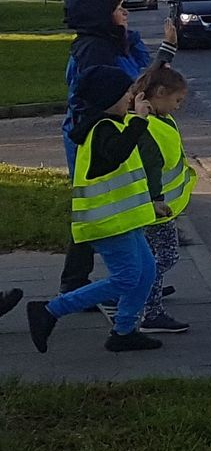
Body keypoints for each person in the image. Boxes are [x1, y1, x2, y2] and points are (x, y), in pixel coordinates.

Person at [27, 65, 168, 353]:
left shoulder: (112, 125)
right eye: (126, 93)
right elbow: (116, 155)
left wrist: (150, 203)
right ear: (108, 98)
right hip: (107, 223)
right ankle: (50, 310)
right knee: (127, 277)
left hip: (124, 220)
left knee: (146, 272)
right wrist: (139, 121)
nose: (130, 97)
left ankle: (124, 331)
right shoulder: (101, 129)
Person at [59, 0, 177, 298]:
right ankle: (80, 284)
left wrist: (132, 38)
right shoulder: (96, 50)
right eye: (117, 9)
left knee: (116, 206)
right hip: (96, 135)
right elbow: (135, 83)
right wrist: (166, 51)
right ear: (100, 17)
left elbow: (136, 72)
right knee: (100, 209)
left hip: (103, 129)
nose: (125, 12)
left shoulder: (106, 43)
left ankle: (136, 280)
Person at [129, 62, 197, 334]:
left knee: (148, 258)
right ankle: (151, 309)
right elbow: (151, 167)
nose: (178, 107)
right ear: (159, 93)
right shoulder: (150, 127)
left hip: (152, 206)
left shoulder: (155, 120)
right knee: (165, 256)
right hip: (156, 208)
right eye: (177, 100)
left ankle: (142, 295)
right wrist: (157, 199)